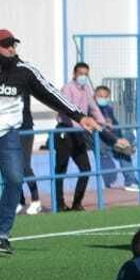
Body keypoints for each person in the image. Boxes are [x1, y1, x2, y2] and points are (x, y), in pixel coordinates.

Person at [0, 29, 99, 255]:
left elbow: (50, 93)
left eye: (13, 44)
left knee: (14, 178)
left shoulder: (24, 71)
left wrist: (80, 116)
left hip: (7, 134)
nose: (11, 48)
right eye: (5, 45)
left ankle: (2, 235)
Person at [51, 61, 107, 212]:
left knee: (85, 168)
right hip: (65, 130)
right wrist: (83, 122)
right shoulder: (67, 89)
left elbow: (93, 107)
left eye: (86, 74)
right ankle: (59, 203)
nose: (83, 77)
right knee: (60, 168)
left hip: (79, 132)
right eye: (81, 74)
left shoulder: (87, 89)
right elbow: (66, 109)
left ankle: (77, 202)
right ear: (74, 74)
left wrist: (101, 122)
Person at [93, 85, 138, 191]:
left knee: (125, 148)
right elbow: (100, 129)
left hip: (111, 140)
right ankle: (130, 181)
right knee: (122, 148)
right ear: (94, 96)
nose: (102, 98)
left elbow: (115, 127)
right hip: (99, 141)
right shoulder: (92, 109)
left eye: (105, 96)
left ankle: (131, 181)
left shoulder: (108, 109)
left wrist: (121, 140)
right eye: (100, 96)